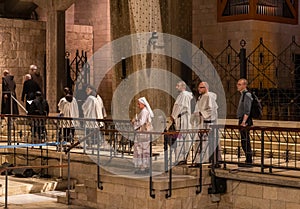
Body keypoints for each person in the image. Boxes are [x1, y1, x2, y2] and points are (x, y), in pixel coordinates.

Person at [192, 82, 221, 167]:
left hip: (208, 124)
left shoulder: (209, 96)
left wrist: (202, 114)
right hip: (201, 123)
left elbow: (211, 110)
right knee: (200, 143)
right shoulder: (201, 97)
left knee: (209, 143)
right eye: (199, 87)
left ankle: (213, 161)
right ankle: (200, 160)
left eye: (201, 87)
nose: (199, 89)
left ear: (206, 88)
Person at [170, 81, 193, 164]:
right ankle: (179, 157)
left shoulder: (184, 95)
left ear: (183, 86)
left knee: (183, 138)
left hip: (184, 119)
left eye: (178, 85)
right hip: (180, 119)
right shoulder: (181, 95)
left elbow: (180, 106)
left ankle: (183, 157)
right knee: (179, 138)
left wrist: (173, 115)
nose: (176, 87)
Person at [132, 97, 154, 174]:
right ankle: (144, 166)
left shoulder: (144, 111)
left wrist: (134, 122)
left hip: (142, 134)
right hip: (143, 134)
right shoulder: (144, 111)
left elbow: (141, 122)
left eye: (139, 103)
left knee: (141, 150)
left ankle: (143, 167)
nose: (138, 105)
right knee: (144, 150)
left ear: (143, 104)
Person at [237, 78, 253, 166]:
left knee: (245, 141)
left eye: (239, 84)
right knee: (244, 140)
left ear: (244, 85)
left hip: (245, 120)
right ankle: (248, 159)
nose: (237, 86)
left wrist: (243, 121)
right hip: (242, 119)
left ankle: (249, 160)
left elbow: (247, 110)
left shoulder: (247, 95)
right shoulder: (243, 95)